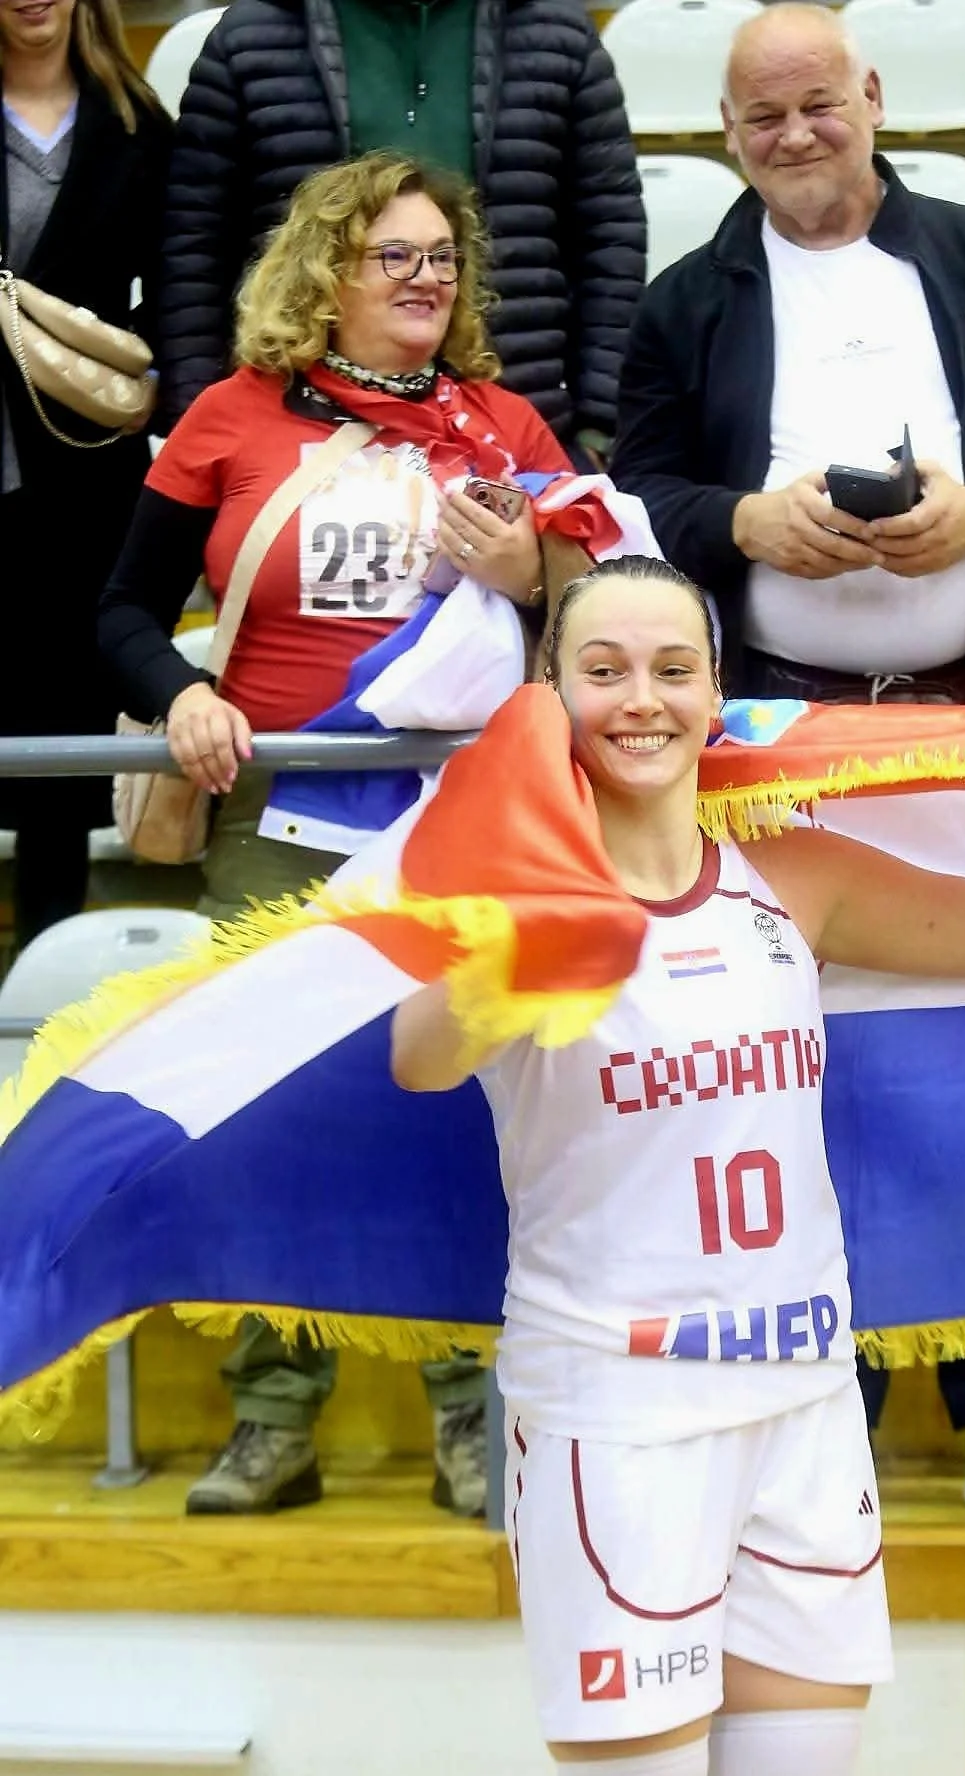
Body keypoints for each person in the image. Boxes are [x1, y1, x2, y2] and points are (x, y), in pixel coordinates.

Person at [390, 554, 965, 1776]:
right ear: (550, 691)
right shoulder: (509, 894)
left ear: (717, 694)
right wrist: (534, 930)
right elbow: (418, 1056)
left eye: (672, 669)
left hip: (803, 1401)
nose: (640, 699)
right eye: (602, 670)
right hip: (619, 1412)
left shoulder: (790, 875)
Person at [608, 1, 965, 1521]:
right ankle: (824, 1404)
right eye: (761, 116)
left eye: (816, 104)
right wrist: (741, 522)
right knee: (805, 1073)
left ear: (869, 95)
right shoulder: (688, 298)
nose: (793, 135)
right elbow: (640, 488)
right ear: (726, 133)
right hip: (778, 742)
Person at [98, 151, 578, 1519]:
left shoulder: (506, 425)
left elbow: (612, 603)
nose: (427, 279)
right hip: (280, 814)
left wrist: (530, 571)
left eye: (443, 258)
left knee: (461, 1109)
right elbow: (120, 612)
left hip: (463, 815)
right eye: (395, 256)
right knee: (273, 1107)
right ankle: (272, 1418)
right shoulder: (229, 420)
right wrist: (182, 693)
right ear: (326, 272)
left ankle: (473, 1418)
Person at [155, 0, 645, 465]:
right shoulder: (250, 38)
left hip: (518, 427)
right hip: (293, 440)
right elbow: (194, 251)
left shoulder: (558, 35)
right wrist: (199, 430)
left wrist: (600, 425)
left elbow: (610, 240)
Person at [0, 0, 169, 956]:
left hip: (79, 467)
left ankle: (43, 984)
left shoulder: (137, 123)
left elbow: (175, 285)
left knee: (58, 739)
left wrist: (132, 380)